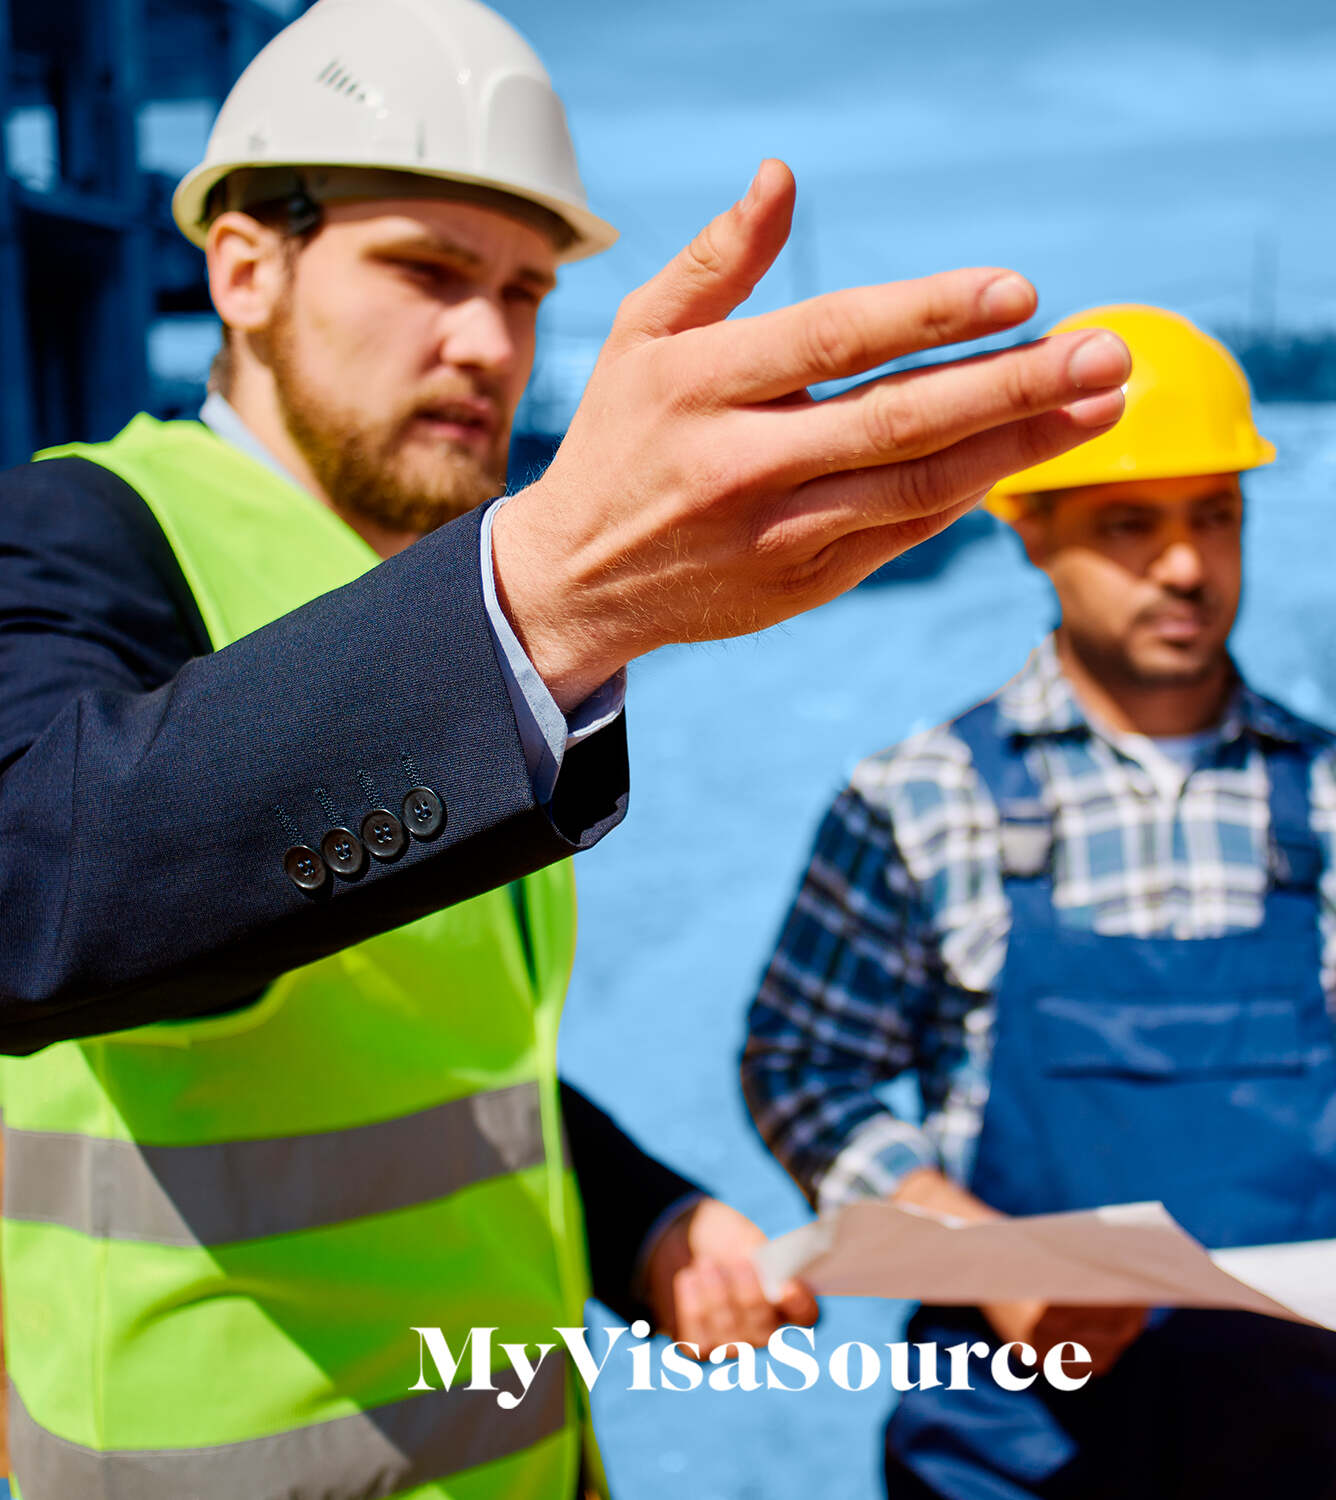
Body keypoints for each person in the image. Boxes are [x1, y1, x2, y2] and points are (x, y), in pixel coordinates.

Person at [0, 1, 1134, 1495]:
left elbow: (446, 1063)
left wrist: (648, 1221)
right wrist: (533, 599)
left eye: (527, 292)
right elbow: (41, 891)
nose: (489, 344)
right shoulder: (83, 532)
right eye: (428, 272)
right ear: (244, 268)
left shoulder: (459, 590)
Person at [741, 303, 1336, 1500]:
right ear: (1031, 530)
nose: (1188, 566)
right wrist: (992, 1255)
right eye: (1131, 525)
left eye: (1216, 517)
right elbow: (801, 1067)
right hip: (1008, 1445)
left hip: (1284, 1433)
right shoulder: (919, 803)